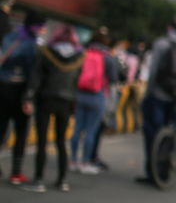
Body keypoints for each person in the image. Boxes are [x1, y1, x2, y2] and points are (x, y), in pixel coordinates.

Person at [21, 24, 84, 192]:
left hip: (45, 99)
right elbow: (77, 81)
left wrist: (28, 97)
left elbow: (36, 78)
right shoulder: (79, 57)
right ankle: (62, 180)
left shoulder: (46, 53)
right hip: (66, 102)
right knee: (61, 142)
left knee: (42, 141)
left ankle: (39, 180)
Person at [136, 17, 176, 185]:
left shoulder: (161, 43)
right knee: (172, 132)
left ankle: (152, 172)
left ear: (168, 27)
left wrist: (147, 94)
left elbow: (154, 70)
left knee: (153, 133)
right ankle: (166, 171)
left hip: (158, 95)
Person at [0, 10, 46, 184]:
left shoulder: (9, 37)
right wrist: (29, 97)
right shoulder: (31, 45)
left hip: (2, 87)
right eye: (42, 27)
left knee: (1, 127)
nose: (43, 31)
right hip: (20, 91)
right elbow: (33, 74)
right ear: (35, 26)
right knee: (20, 131)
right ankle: (16, 172)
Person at [69, 28, 118, 175]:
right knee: (90, 131)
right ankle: (85, 163)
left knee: (77, 128)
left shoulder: (82, 53)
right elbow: (113, 82)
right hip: (97, 96)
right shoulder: (108, 58)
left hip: (80, 94)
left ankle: (72, 161)